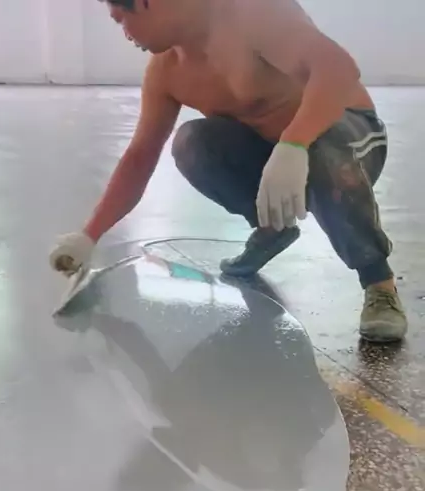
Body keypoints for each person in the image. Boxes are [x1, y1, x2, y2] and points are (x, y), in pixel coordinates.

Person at [50, 0, 408, 343]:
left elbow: (338, 70)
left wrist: (295, 143)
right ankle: (272, 226)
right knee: (192, 143)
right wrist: (88, 236)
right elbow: (140, 157)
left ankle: (379, 284)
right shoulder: (166, 71)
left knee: (322, 150)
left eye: (121, 20)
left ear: (146, 2)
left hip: (347, 137)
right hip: (276, 153)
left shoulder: (251, 13)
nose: (126, 34)